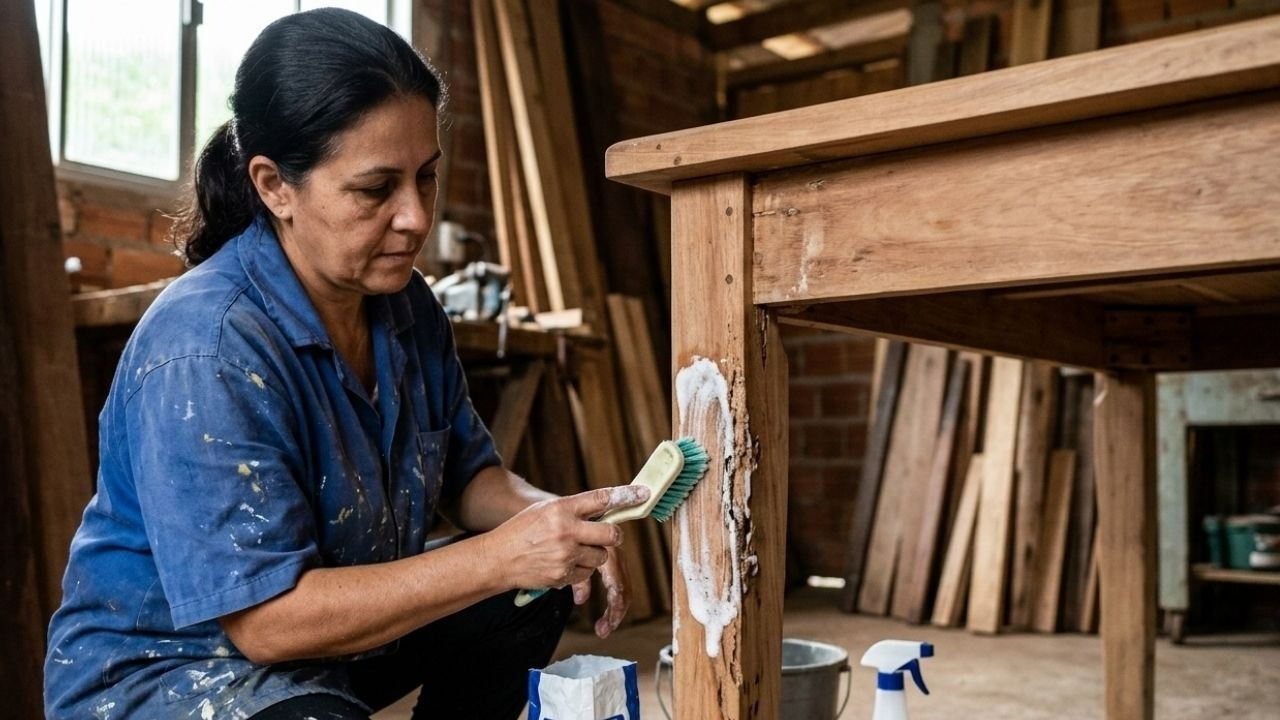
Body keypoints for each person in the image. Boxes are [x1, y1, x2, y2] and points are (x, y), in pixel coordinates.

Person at [44, 9, 647, 719]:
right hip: (175, 672)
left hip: (326, 644)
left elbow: (469, 475)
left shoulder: (404, 303)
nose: (416, 218)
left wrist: (556, 519)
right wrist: (500, 556)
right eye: (375, 189)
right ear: (275, 186)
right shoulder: (205, 348)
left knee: (533, 592)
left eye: (426, 178)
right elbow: (267, 624)